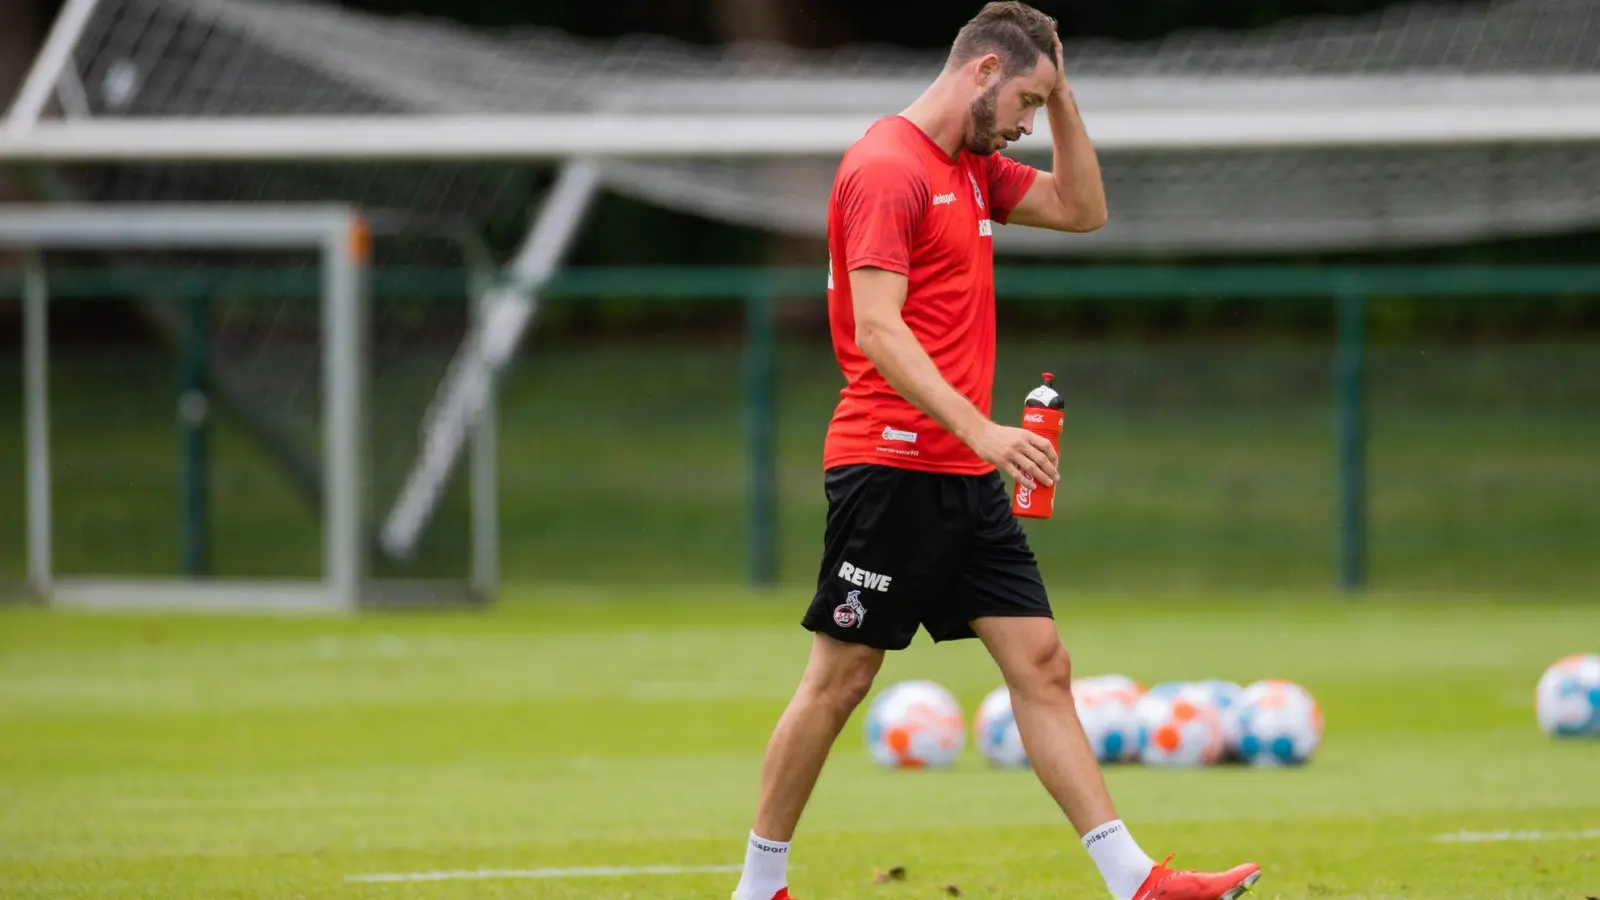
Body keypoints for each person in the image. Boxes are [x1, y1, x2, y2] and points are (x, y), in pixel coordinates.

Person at [730, 3, 1263, 900]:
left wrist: (1061, 89)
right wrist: (982, 430)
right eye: (1023, 100)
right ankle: (758, 888)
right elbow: (876, 329)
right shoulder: (887, 166)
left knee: (1043, 665)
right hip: (891, 462)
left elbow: (1083, 208)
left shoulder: (972, 167)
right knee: (840, 679)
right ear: (981, 70)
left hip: (965, 471)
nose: (1025, 123)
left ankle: (1134, 881)